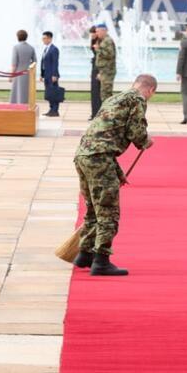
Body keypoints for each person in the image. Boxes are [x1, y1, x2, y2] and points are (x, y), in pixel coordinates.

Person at [72, 74, 157, 277]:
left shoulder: (114, 98)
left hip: (83, 155)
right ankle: (101, 261)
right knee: (108, 212)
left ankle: (85, 254)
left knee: (93, 209)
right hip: (99, 158)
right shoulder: (137, 99)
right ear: (151, 90)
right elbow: (135, 131)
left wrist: (118, 173)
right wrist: (146, 141)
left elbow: (104, 134)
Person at [9, 29, 37, 105]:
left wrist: (11, 75)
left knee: (17, 92)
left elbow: (14, 63)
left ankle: (17, 109)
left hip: (18, 73)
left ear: (18, 37)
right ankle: (27, 106)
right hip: (28, 74)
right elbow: (35, 62)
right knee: (26, 91)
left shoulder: (16, 47)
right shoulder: (31, 48)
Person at [40, 31, 63, 116]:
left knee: (54, 92)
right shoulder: (46, 49)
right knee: (49, 93)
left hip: (52, 75)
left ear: (50, 38)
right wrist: (42, 75)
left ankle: (55, 110)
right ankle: (51, 109)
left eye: (44, 38)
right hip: (46, 75)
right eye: (42, 38)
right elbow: (43, 63)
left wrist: (55, 75)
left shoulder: (54, 49)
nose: (43, 40)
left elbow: (55, 63)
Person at [96, 25, 117, 103]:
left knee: (106, 94)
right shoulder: (104, 40)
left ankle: (109, 112)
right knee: (104, 93)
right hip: (104, 71)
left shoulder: (107, 40)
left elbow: (110, 55)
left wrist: (98, 50)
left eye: (98, 31)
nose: (97, 33)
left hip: (108, 71)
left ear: (103, 31)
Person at [89, 26, 102, 119]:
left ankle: (99, 114)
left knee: (98, 92)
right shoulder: (94, 41)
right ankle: (94, 113)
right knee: (94, 92)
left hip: (100, 69)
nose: (92, 35)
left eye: (93, 33)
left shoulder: (101, 42)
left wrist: (100, 72)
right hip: (94, 68)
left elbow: (103, 58)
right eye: (91, 33)